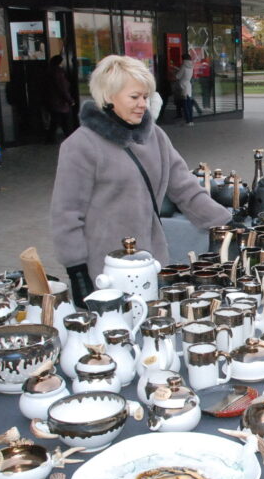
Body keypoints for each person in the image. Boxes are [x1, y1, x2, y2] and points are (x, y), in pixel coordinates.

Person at [50, 55, 230, 307]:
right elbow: (66, 214)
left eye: (145, 97)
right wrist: (76, 270)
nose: (142, 104)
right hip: (106, 268)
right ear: (108, 96)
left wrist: (226, 222)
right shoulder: (81, 145)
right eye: (134, 97)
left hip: (152, 261)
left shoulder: (154, 136)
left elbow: (185, 187)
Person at [45, 55, 75, 142]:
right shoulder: (58, 73)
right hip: (60, 102)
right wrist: (70, 100)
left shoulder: (51, 71)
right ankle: (69, 138)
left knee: (55, 121)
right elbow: (62, 88)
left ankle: (51, 138)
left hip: (55, 101)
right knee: (65, 121)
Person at [174, 55, 195, 126]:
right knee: (189, 105)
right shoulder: (191, 66)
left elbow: (178, 76)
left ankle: (188, 121)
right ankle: (191, 120)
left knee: (185, 104)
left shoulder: (183, 66)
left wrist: (174, 71)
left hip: (183, 86)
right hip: (188, 85)